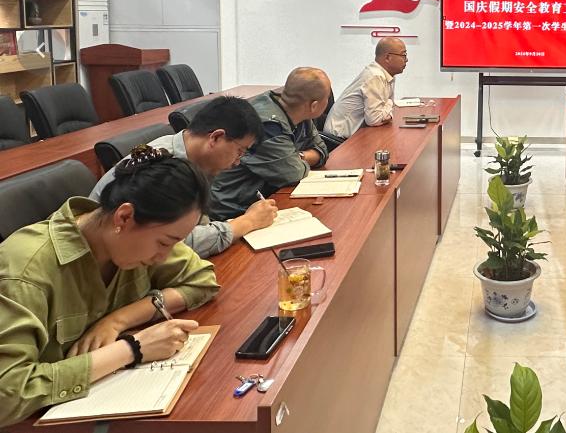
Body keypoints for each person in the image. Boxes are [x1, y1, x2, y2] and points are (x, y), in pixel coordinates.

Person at [0, 147, 219, 427]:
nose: (164, 257)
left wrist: (119, 320)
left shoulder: (134, 239)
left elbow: (202, 281)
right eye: (164, 242)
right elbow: (7, 395)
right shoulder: (25, 270)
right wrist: (132, 349)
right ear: (124, 217)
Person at [89, 97, 274, 258]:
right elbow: (174, 245)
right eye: (240, 152)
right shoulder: (165, 169)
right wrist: (247, 222)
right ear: (216, 137)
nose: (238, 162)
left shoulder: (198, 161)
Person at [209, 67, 331, 221]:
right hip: (233, 211)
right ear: (314, 105)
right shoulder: (268, 124)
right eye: (327, 98)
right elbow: (292, 173)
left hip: (261, 200)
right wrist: (297, 160)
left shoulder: (300, 113)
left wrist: (296, 157)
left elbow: (322, 151)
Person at [325, 37, 408, 141]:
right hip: (338, 138)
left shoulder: (388, 75)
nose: (406, 60)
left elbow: (385, 113)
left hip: (355, 134)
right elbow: (375, 119)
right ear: (388, 57)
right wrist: (390, 103)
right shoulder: (375, 76)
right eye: (403, 55)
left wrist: (388, 107)